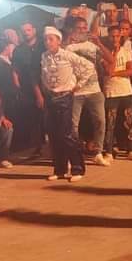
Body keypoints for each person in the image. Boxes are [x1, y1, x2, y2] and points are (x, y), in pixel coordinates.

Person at [41, 26, 95, 182]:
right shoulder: (44, 56)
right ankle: (60, 170)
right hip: (51, 97)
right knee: (54, 135)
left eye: (51, 39)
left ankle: (77, 169)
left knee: (67, 134)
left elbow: (89, 66)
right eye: (46, 39)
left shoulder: (67, 55)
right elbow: (43, 74)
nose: (48, 42)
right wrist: (46, 88)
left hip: (65, 97)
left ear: (58, 41)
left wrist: (78, 84)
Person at [65, 17, 110, 166]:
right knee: (73, 125)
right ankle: (72, 155)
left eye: (84, 28)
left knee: (100, 121)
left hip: (95, 89)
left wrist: (99, 43)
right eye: (79, 28)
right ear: (72, 30)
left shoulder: (92, 45)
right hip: (76, 91)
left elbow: (110, 59)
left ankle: (98, 153)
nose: (82, 31)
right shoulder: (68, 47)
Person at [103, 25, 132, 162]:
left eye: (117, 36)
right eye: (112, 36)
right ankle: (108, 151)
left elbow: (131, 71)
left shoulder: (126, 51)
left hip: (126, 91)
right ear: (108, 37)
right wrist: (114, 54)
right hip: (111, 91)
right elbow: (108, 70)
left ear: (121, 37)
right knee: (110, 123)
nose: (115, 39)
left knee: (129, 122)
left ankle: (131, 150)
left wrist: (115, 73)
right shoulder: (104, 52)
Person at [12, 22, 46, 155]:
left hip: (46, 85)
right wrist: (17, 85)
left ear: (34, 30)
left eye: (28, 30)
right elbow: (15, 69)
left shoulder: (43, 45)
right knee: (33, 118)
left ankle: (49, 145)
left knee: (47, 116)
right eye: (23, 30)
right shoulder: (18, 50)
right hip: (27, 88)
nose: (26, 32)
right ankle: (37, 147)